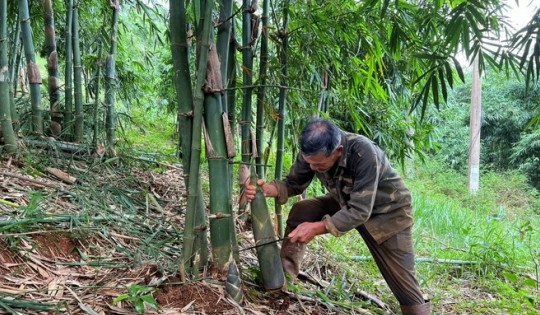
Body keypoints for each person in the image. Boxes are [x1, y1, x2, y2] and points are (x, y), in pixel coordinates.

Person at [244, 118, 430, 314]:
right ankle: (285, 280)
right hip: (344, 200)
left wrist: (317, 228)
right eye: (310, 163)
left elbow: (360, 210)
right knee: (303, 211)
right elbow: (294, 183)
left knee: (404, 284)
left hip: (388, 213)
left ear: (338, 151)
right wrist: (271, 189)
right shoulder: (312, 152)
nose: (313, 168)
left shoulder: (364, 153)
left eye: (319, 165)